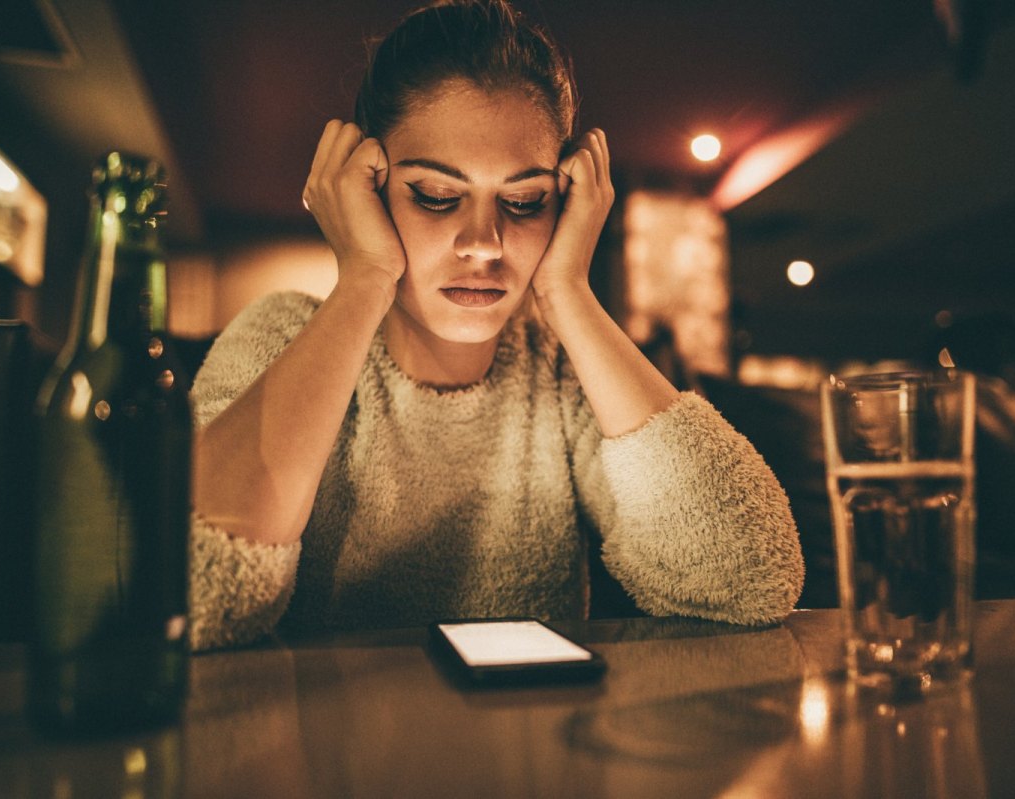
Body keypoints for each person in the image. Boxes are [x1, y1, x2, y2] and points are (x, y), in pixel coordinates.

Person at [188, 0, 803, 650]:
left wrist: (566, 292)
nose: (483, 243)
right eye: (436, 195)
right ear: (365, 190)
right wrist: (363, 277)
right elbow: (193, 595)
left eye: (523, 201)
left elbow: (750, 581)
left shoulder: (564, 373)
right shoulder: (283, 332)